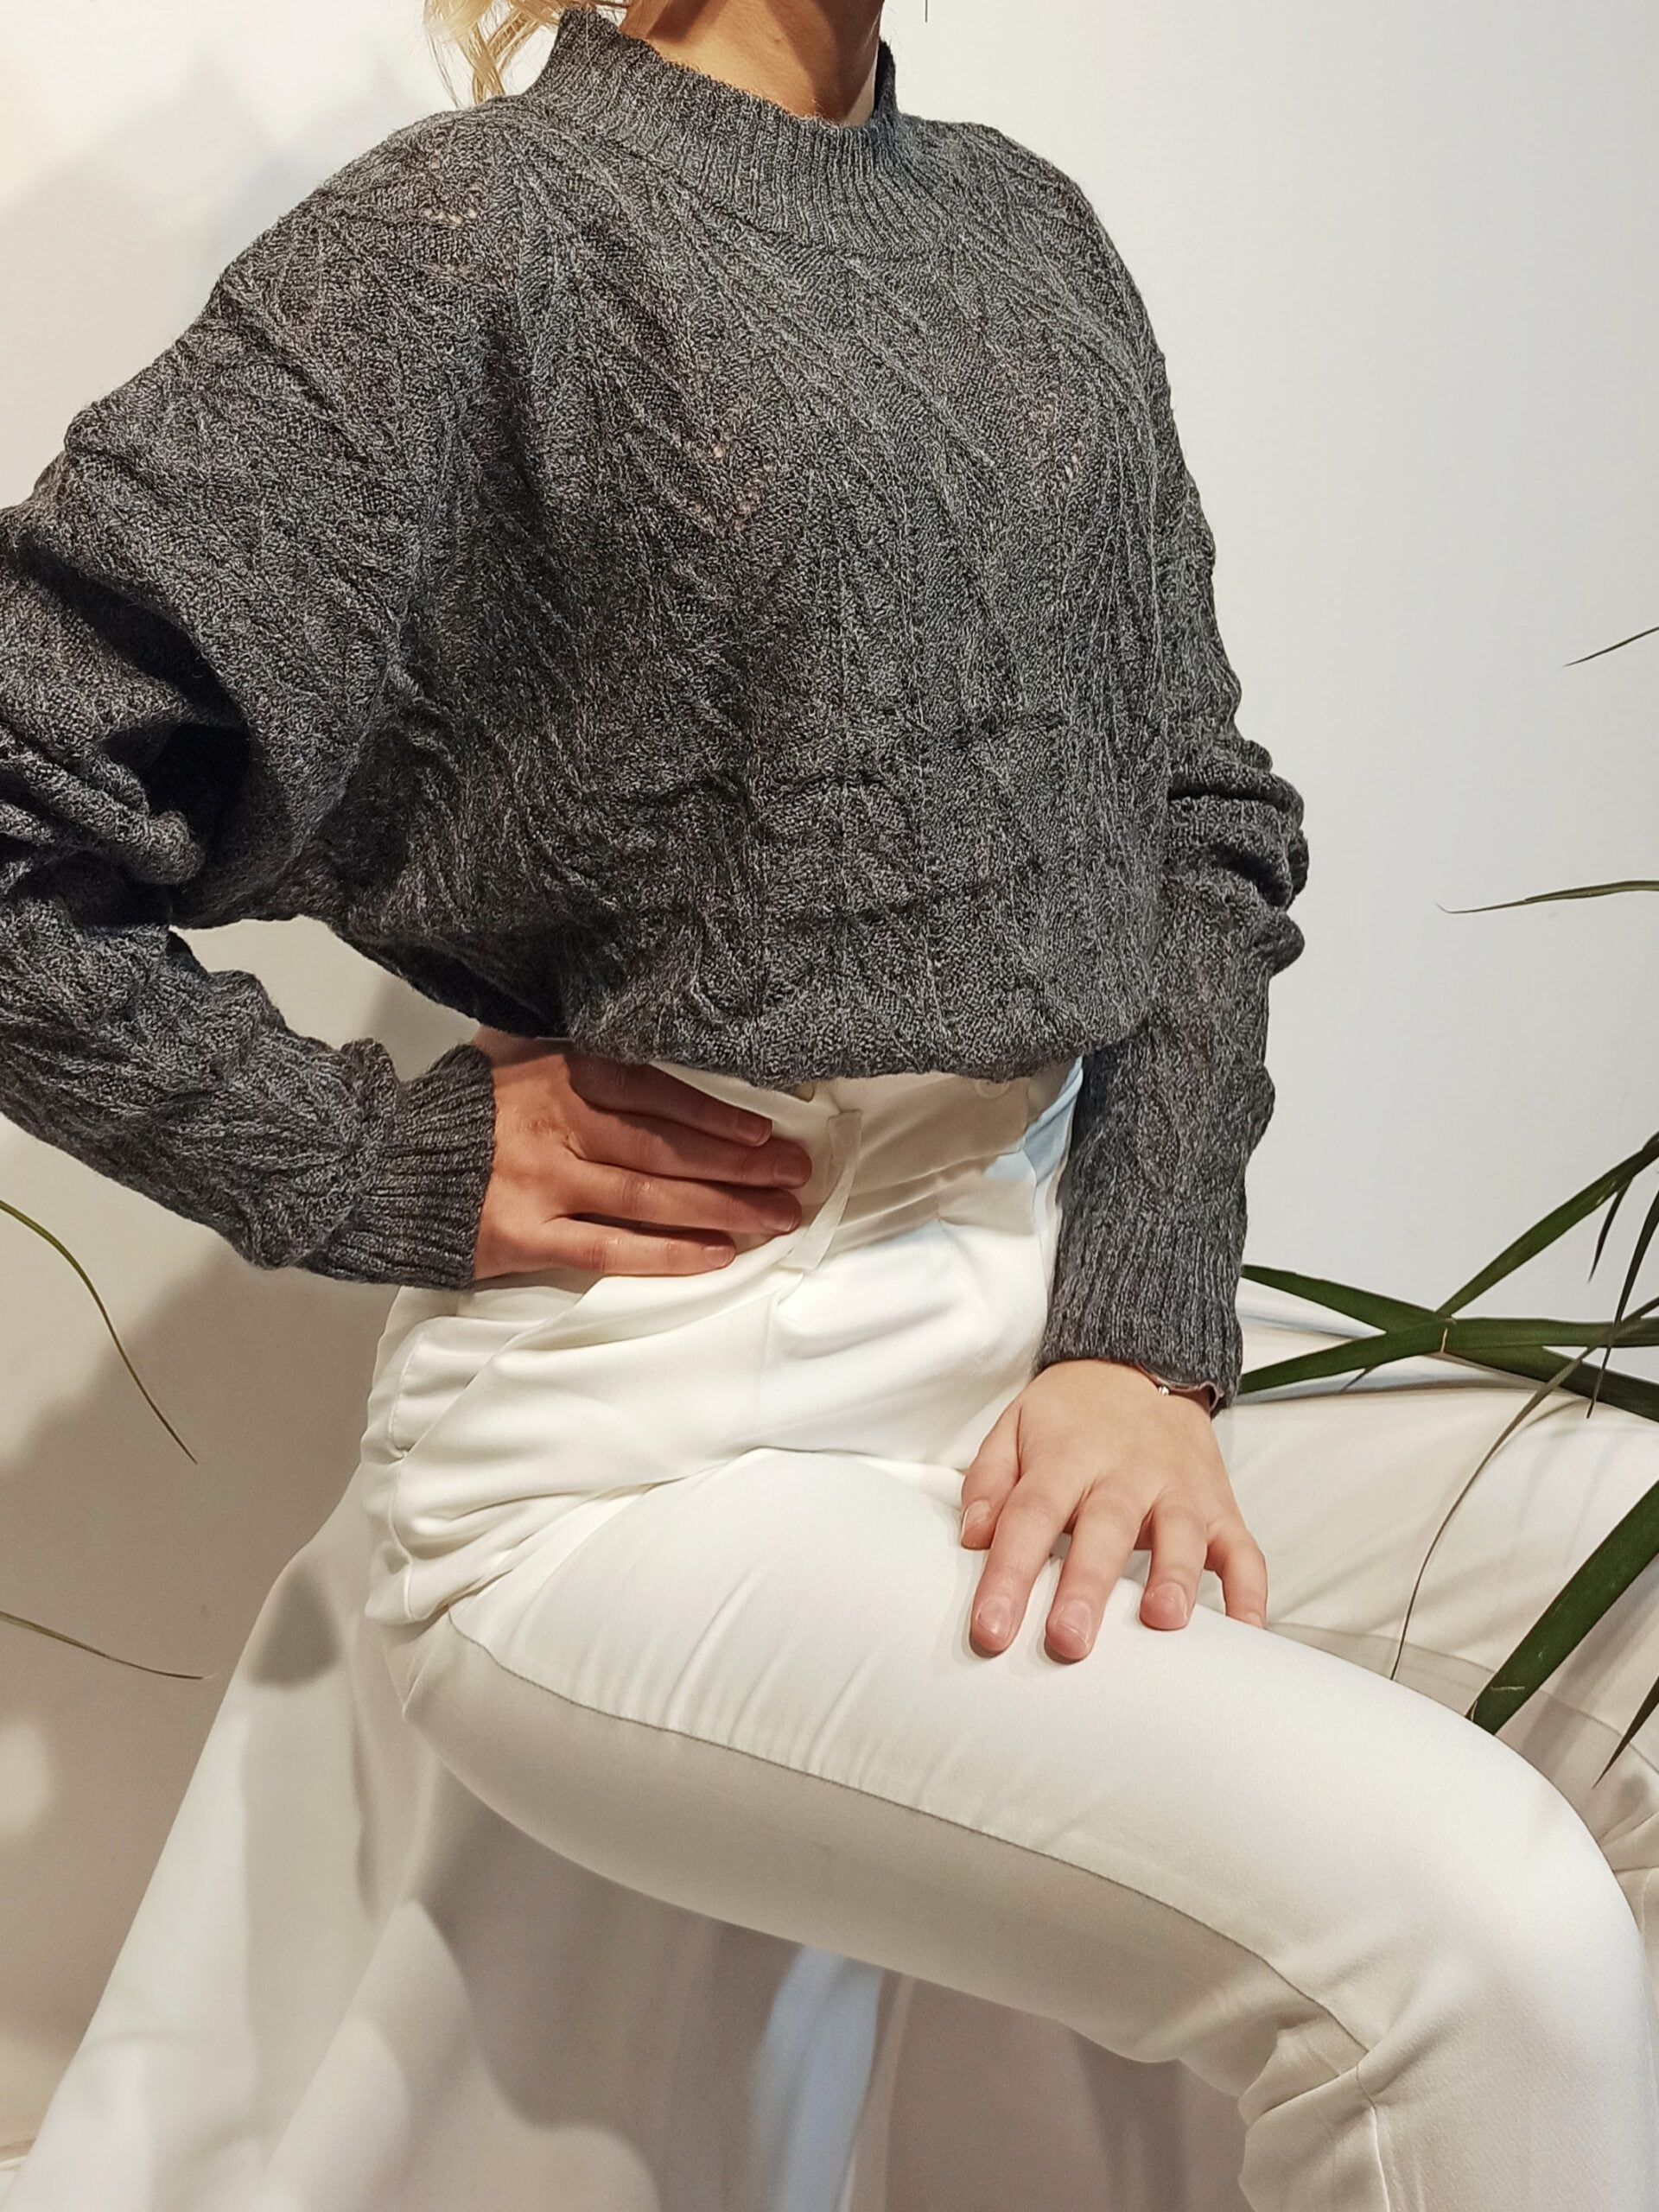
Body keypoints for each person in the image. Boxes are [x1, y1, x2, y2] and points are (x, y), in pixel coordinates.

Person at [2, 3, 1656, 2206]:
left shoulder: (1029, 231)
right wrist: (376, 1156)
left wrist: (1140, 1330)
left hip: (1034, 1348)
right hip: (661, 1429)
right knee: (1472, 1942)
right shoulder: (472, 237)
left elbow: (1194, 822)